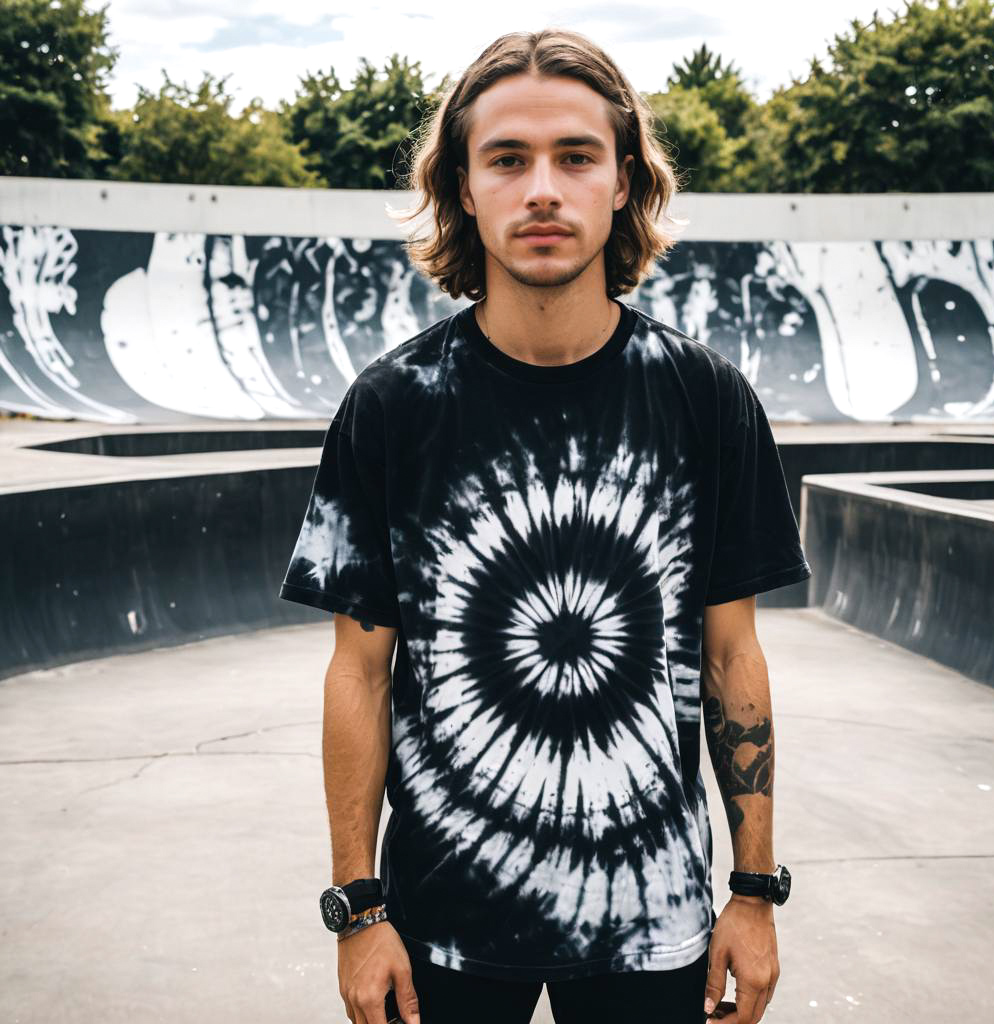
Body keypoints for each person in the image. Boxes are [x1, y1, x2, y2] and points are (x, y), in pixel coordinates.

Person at [279, 26, 810, 1024]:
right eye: (507, 159)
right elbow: (358, 669)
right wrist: (358, 909)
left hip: (652, 922)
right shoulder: (395, 404)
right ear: (462, 189)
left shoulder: (704, 398)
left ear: (622, 183)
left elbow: (732, 654)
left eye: (575, 156)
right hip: (437, 922)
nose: (541, 190)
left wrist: (753, 893)